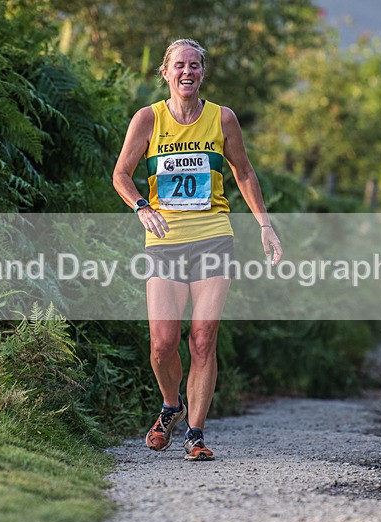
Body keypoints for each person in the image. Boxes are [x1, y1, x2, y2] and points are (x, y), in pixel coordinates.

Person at [112, 38, 282, 461]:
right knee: (162, 345)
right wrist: (141, 206)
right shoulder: (147, 119)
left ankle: (195, 433)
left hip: (213, 234)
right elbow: (120, 174)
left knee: (203, 338)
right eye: (179, 66)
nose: (187, 72)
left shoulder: (222, 119)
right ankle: (172, 405)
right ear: (165, 72)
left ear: (202, 73)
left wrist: (265, 224)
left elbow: (243, 172)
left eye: (194, 66)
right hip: (165, 238)